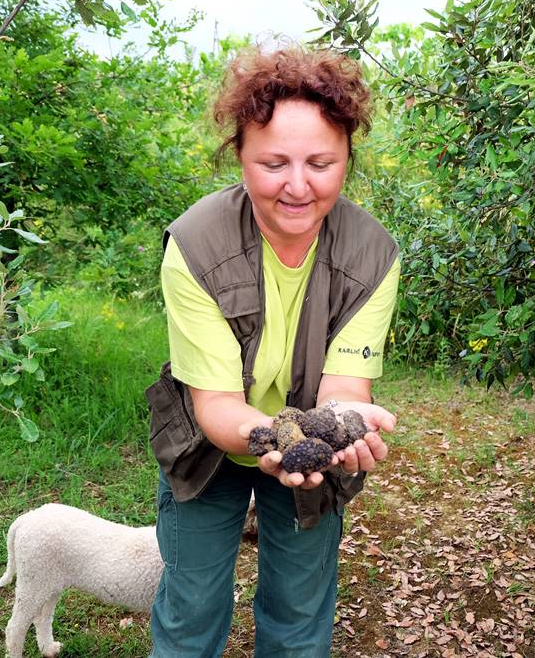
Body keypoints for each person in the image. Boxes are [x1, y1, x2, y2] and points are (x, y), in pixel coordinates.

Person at [145, 45, 401, 658]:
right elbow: (215, 406)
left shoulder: (373, 254)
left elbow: (346, 389)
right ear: (239, 157)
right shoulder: (194, 245)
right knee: (192, 607)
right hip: (209, 448)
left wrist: (344, 427)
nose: (297, 185)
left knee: (298, 614)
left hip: (309, 458)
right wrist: (272, 439)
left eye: (320, 162)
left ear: (346, 161)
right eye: (273, 163)